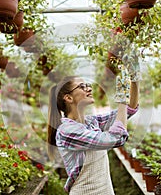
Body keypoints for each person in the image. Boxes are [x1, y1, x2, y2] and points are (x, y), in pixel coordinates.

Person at [47, 53, 140, 194]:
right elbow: (115, 138)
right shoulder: (67, 131)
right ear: (68, 98)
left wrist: (135, 79)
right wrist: (121, 98)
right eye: (82, 86)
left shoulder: (91, 122)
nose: (89, 89)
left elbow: (128, 111)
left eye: (88, 85)